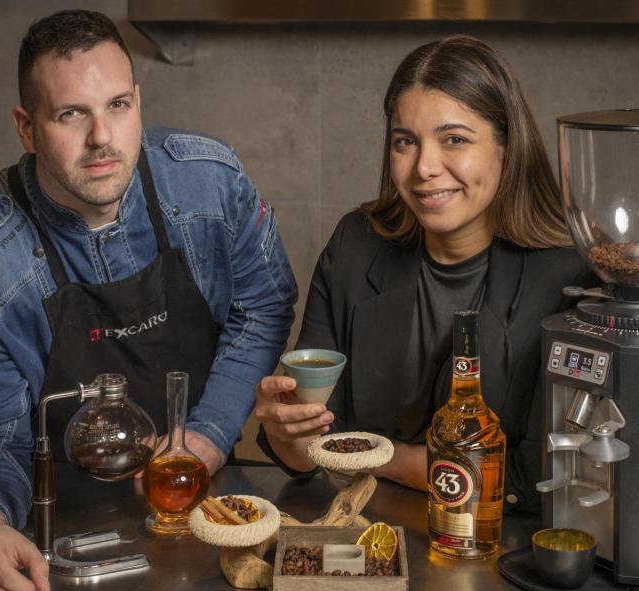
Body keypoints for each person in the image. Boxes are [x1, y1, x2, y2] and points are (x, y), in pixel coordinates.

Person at [0, 10, 297, 591]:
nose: (102, 136)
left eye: (119, 105)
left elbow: (262, 304)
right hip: (64, 544)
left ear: (139, 102)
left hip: (204, 511)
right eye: (71, 113)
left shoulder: (208, 181)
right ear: (26, 127)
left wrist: (205, 434)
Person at [255, 36, 596, 509]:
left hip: (499, 546)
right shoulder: (356, 245)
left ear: (507, 146)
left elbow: (533, 478)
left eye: (454, 139)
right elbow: (312, 449)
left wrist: (376, 455)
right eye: (405, 142)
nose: (424, 168)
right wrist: (284, 429)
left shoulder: (576, 274)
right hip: (367, 530)